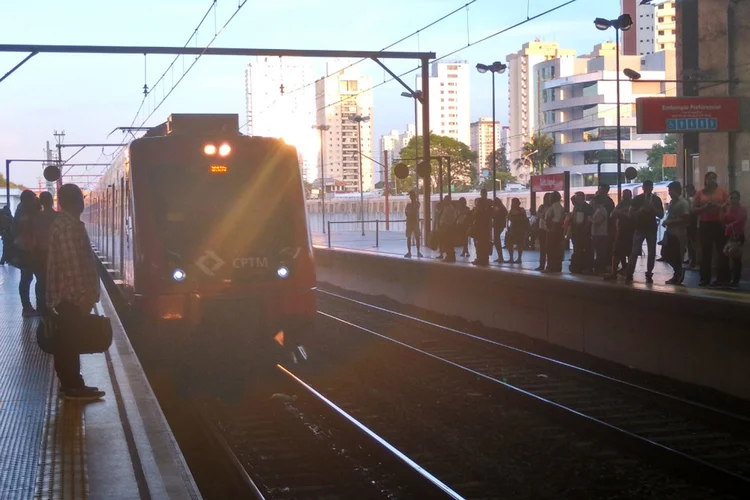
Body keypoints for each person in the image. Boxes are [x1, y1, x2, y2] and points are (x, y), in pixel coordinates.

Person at [46, 184, 105, 400]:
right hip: (71, 297)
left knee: (68, 341)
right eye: (80, 197)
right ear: (74, 201)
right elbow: (72, 265)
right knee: (70, 342)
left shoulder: (65, 224)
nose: (83, 202)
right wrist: (83, 297)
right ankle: (72, 386)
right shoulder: (68, 227)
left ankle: (72, 383)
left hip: (67, 296)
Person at [692, 171, 730, 286]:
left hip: (719, 224)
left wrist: (719, 207)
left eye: (714, 178)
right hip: (705, 225)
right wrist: (704, 207)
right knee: (705, 252)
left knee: (722, 251)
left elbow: (729, 207)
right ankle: (705, 278)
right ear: (705, 180)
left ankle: (723, 278)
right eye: (709, 178)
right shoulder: (699, 193)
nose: (712, 180)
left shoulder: (722, 192)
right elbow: (693, 210)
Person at [626, 180, 664, 284]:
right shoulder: (638, 199)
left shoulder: (655, 200)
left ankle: (648, 272)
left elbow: (661, 214)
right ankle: (630, 272)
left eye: (649, 188)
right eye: (646, 188)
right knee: (635, 251)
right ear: (643, 188)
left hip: (649, 228)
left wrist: (652, 208)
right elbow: (630, 214)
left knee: (651, 252)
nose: (647, 190)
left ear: (652, 188)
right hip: (641, 227)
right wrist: (641, 210)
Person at [13, 190, 40, 316]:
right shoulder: (24, 211)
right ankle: (27, 307)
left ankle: (29, 307)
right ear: (28, 200)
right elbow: (25, 232)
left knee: (27, 277)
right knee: (27, 277)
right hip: (25, 250)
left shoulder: (22, 209)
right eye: (34, 199)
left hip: (25, 249)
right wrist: (32, 250)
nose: (36, 201)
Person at [32, 192, 58, 314]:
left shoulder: (36, 217)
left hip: (39, 253)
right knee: (55, 280)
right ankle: (54, 305)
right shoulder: (58, 217)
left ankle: (41, 306)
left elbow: (33, 236)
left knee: (41, 281)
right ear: (52, 201)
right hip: (55, 254)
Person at [662, 182, 690, 285]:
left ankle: (678, 273)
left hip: (679, 233)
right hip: (670, 232)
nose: (669, 193)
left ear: (677, 190)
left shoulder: (683, 203)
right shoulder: (672, 202)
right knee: (666, 254)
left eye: (671, 191)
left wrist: (671, 222)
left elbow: (686, 219)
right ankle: (677, 271)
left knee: (677, 255)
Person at [604, 189, 634, 281]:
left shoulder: (631, 204)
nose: (624, 197)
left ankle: (626, 272)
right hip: (622, 230)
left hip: (629, 231)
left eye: (625, 195)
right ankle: (619, 272)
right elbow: (613, 214)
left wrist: (621, 212)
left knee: (626, 252)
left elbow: (630, 216)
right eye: (623, 195)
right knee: (618, 251)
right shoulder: (622, 204)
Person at [721, 190, 746, 288]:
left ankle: (736, 280)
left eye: (735, 198)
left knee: (736, 258)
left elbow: (740, 221)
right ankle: (731, 279)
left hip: (738, 235)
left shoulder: (742, 209)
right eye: (731, 198)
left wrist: (729, 226)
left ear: (739, 199)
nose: (733, 200)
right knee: (728, 255)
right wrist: (722, 209)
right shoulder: (729, 209)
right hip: (730, 235)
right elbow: (723, 220)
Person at [569, 192, 594, 274]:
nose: (575, 199)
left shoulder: (587, 207)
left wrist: (585, 229)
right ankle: (579, 266)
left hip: (584, 232)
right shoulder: (576, 207)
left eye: (577, 197)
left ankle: (588, 267)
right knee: (577, 250)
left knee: (587, 250)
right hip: (576, 232)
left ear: (581, 198)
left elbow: (589, 220)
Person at [544, 191, 565, 273]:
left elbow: (557, 219)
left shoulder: (556, 206)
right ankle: (555, 266)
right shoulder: (558, 206)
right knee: (555, 249)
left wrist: (552, 228)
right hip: (555, 230)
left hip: (553, 231)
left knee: (551, 249)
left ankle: (551, 267)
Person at [472, 189, 493, 266]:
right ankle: (484, 258)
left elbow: (475, 215)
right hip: (486, 226)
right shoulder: (489, 204)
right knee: (484, 242)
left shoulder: (480, 207)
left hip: (480, 227)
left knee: (479, 243)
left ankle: (480, 258)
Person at [506, 198, 529, 264]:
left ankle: (518, 258)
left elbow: (521, 218)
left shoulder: (521, 210)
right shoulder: (512, 211)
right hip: (513, 229)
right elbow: (509, 218)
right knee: (511, 244)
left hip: (519, 229)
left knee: (519, 244)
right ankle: (512, 258)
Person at [591, 198, 609, 275]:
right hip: (598, 233)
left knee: (600, 251)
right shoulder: (599, 210)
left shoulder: (601, 210)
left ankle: (600, 267)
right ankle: (600, 267)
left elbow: (598, 221)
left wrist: (590, 220)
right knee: (599, 251)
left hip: (600, 234)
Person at [684, 184, 699, 270]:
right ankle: (691, 259)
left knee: (693, 243)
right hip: (690, 224)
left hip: (694, 223)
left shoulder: (695, 199)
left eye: (688, 191)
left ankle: (694, 261)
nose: (687, 192)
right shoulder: (688, 199)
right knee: (689, 243)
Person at [404, 190, 423, 258]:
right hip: (410, 222)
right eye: (410, 196)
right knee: (409, 237)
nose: (411, 197)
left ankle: (418, 252)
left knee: (417, 237)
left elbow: (414, 210)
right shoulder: (408, 205)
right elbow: (406, 212)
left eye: (411, 195)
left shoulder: (417, 203)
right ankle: (409, 252)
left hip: (414, 222)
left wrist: (409, 215)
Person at [439, 197, 457, 263]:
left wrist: (444, 225)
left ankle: (450, 256)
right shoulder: (451, 208)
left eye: (445, 200)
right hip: (449, 227)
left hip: (447, 227)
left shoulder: (447, 208)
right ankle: (450, 256)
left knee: (448, 242)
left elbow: (445, 218)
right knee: (449, 243)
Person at [536, 193, 551, 271]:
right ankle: (541, 265)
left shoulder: (551, 207)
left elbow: (545, 216)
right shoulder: (541, 207)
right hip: (541, 228)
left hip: (547, 229)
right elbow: (538, 215)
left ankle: (548, 265)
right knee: (542, 248)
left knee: (548, 248)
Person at [493, 198, 508, 263]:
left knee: (497, 241)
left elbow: (494, 216)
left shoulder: (500, 209)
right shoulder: (502, 209)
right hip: (499, 225)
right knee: (497, 241)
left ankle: (500, 257)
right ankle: (500, 257)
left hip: (498, 225)